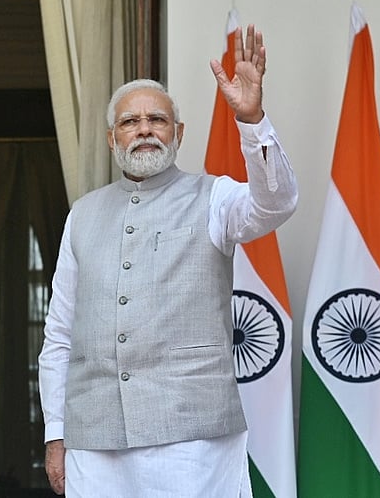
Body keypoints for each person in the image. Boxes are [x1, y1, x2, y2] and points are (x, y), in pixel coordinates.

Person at [38, 24, 297, 497]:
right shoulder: (83, 214)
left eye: (156, 121)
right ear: (112, 138)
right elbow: (59, 334)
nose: (143, 131)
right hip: (95, 437)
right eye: (129, 122)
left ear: (178, 132)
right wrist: (56, 431)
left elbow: (275, 203)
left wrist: (253, 120)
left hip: (190, 433)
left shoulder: (214, 196)